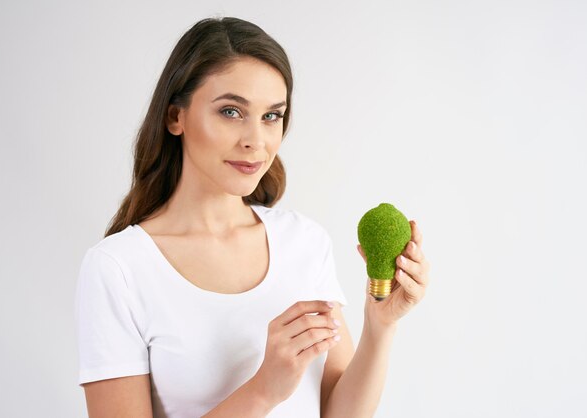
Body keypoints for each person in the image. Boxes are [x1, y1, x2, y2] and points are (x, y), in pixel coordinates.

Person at [75, 16, 430, 418]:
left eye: (271, 116)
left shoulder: (304, 243)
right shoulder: (118, 268)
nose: (255, 141)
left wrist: (380, 325)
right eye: (230, 111)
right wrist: (262, 392)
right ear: (176, 117)